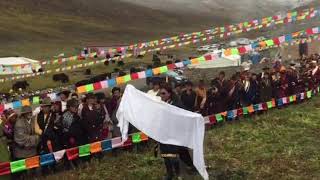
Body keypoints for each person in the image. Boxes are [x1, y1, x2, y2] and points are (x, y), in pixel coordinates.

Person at [158, 84, 195, 180]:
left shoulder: (176, 105)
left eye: (163, 93)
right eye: (160, 93)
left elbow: (185, 115)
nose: (161, 95)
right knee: (166, 154)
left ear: (169, 94)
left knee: (179, 153)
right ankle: (170, 173)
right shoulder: (161, 104)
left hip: (175, 134)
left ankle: (183, 170)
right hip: (164, 134)